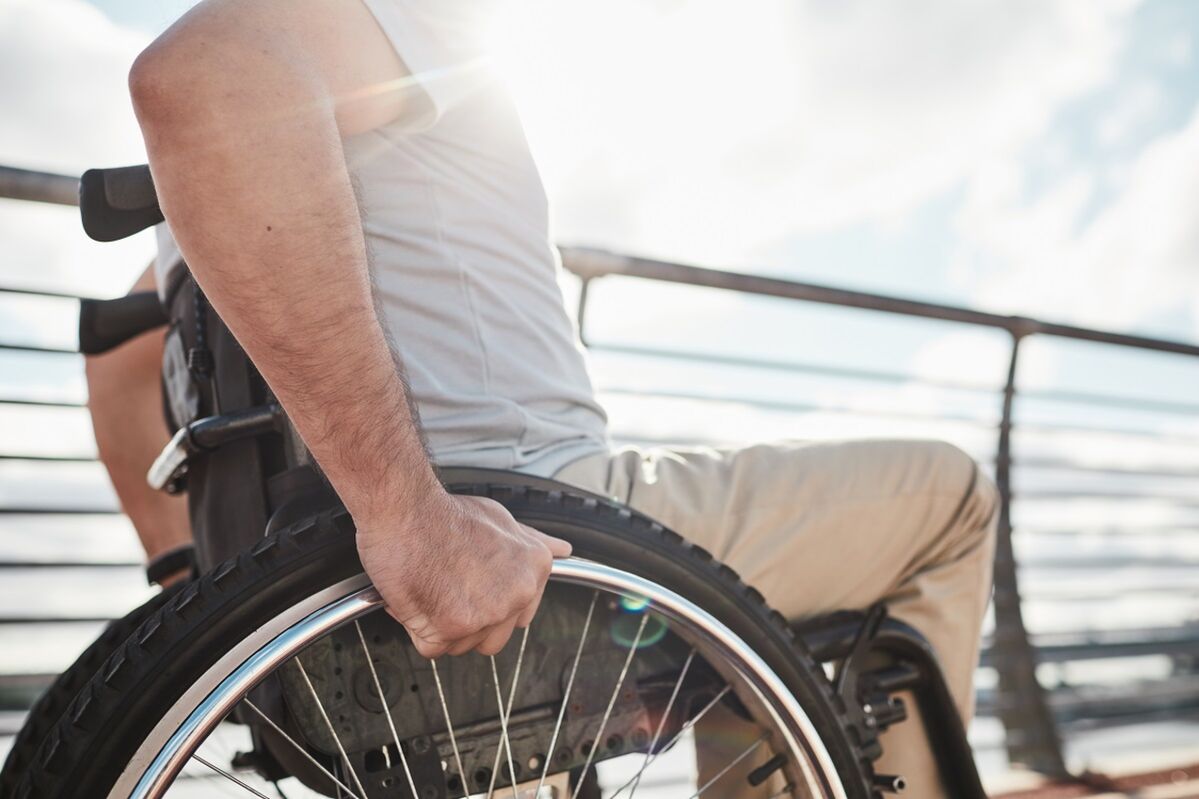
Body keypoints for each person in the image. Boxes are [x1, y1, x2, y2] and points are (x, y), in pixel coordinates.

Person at [84, 1, 998, 795]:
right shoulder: (387, 22)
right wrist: (406, 514)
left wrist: (188, 581)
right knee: (948, 497)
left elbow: (122, 351)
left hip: (327, 576)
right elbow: (201, 73)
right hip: (530, 519)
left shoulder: (212, 203)